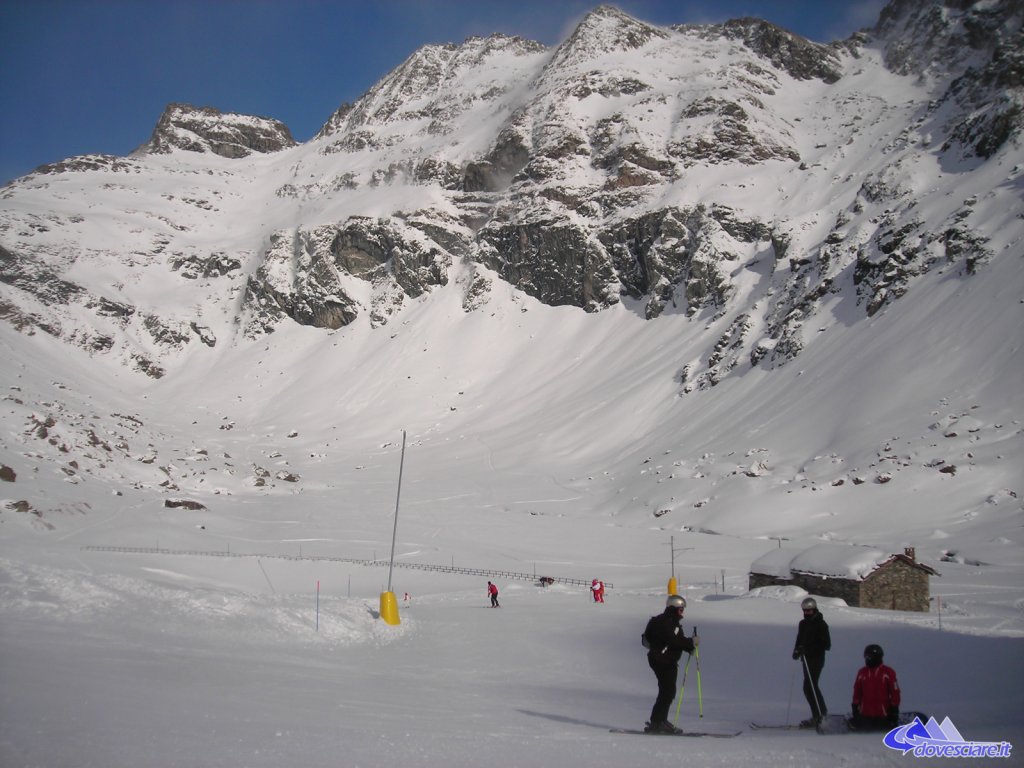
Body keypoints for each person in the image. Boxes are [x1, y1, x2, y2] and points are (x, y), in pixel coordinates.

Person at [643, 594, 698, 734]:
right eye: (680, 609)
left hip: (661, 659)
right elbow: (673, 640)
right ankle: (658, 722)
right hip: (664, 661)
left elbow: (647, 639)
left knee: (666, 691)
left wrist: (689, 646)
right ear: (673, 608)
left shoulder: (662, 620)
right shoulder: (668, 622)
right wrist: (690, 643)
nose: (682, 612)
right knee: (667, 691)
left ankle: (658, 721)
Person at [792, 596, 831, 727]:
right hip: (806, 659)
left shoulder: (821, 624)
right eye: (805, 611)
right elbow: (800, 639)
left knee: (810, 686)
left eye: (809, 611)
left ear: (814, 610)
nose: (807, 613)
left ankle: (821, 715)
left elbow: (826, 644)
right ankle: (817, 715)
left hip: (817, 658)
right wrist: (797, 651)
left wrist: (807, 649)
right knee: (808, 688)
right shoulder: (802, 624)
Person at [850, 644, 901, 731]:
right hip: (865, 715)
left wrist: (894, 710)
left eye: (869, 657)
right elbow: (857, 691)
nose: (867, 660)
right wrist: (855, 706)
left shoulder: (888, 672)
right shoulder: (862, 673)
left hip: (884, 716)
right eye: (866, 657)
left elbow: (895, 692)